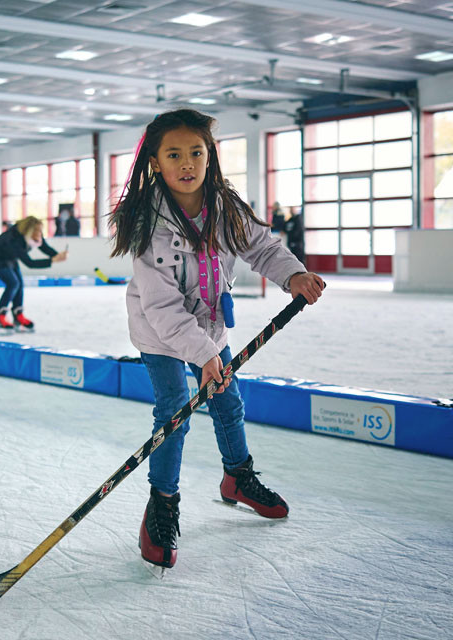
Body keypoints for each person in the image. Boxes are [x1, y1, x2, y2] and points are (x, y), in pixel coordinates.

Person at [109, 109, 325, 570]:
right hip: (160, 333)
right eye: (174, 154)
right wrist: (206, 356)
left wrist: (294, 275)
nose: (186, 163)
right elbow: (162, 309)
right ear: (155, 162)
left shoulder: (223, 207)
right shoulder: (149, 226)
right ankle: (162, 505)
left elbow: (262, 248)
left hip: (209, 325)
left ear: (210, 157)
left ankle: (237, 479)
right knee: (174, 413)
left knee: (228, 404)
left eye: (196, 152)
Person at [0, 215, 68, 331]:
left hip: (10, 258)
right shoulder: (14, 239)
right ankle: (0, 317)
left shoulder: (32, 235)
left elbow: (44, 247)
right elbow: (30, 263)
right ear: (29, 230)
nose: (39, 233)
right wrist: (52, 260)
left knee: (19, 283)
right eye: (37, 230)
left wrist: (57, 255)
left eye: (40, 230)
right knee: (13, 283)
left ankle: (18, 314)